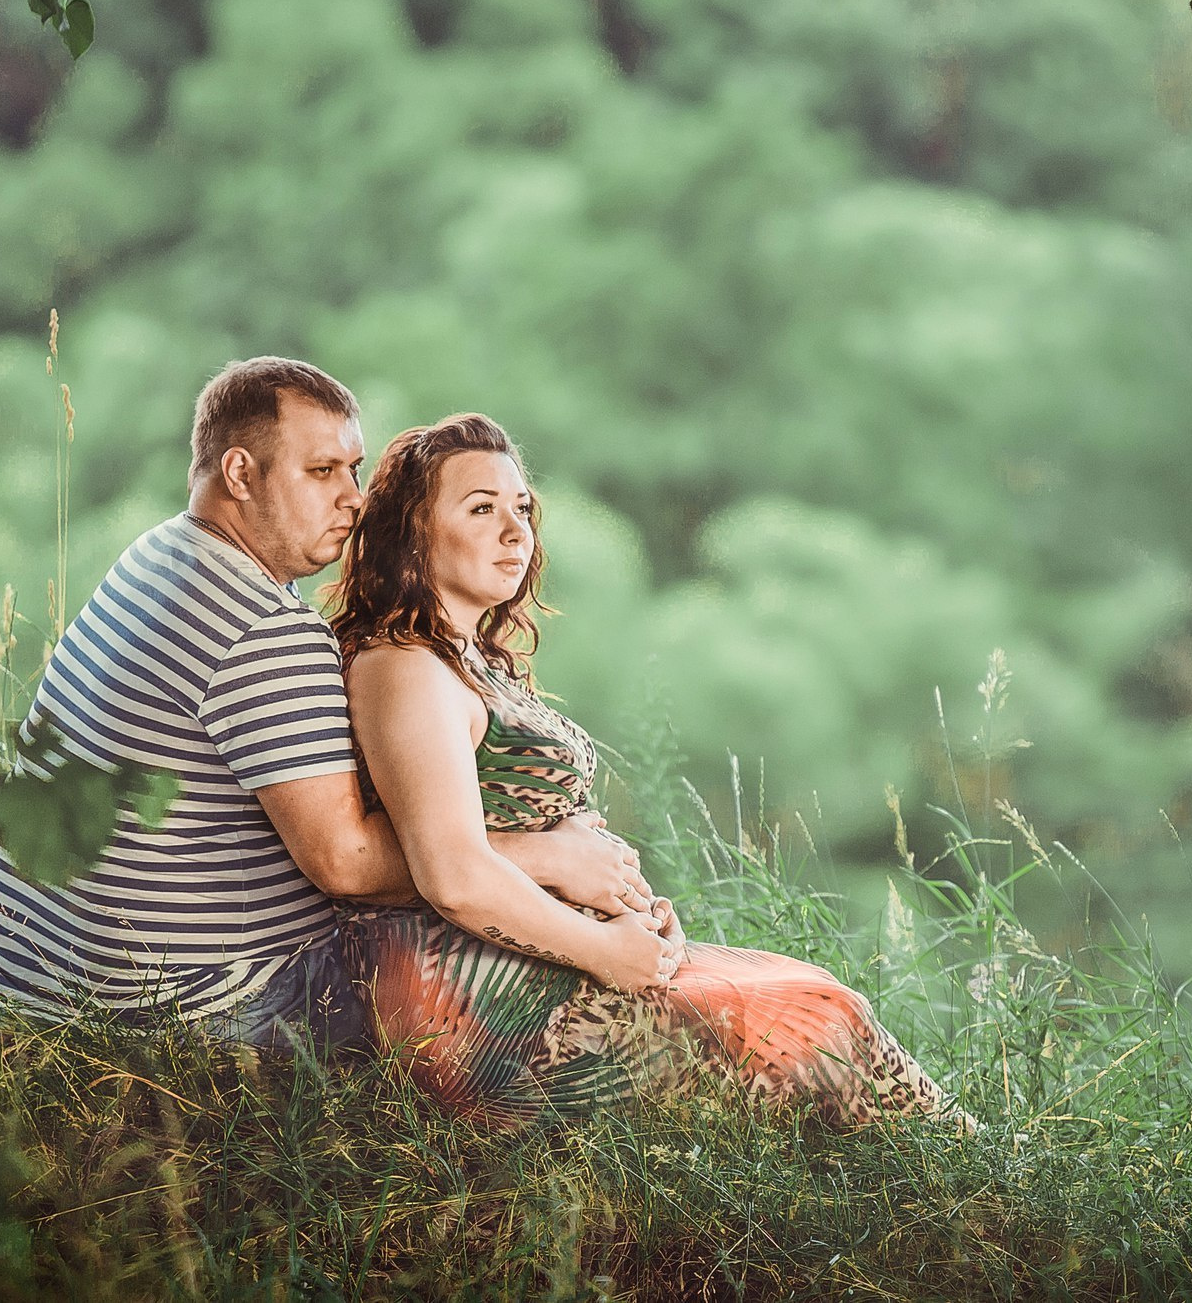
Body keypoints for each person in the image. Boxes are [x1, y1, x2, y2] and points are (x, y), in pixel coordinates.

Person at [0, 358, 646, 1049]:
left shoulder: (162, 553)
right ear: (239, 474)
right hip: (178, 1006)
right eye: (322, 472)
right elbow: (347, 864)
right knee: (521, 980)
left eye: (354, 469)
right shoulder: (263, 630)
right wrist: (543, 857)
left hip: (31, 976)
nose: (353, 499)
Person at [328, 411, 967, 1128]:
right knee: (822, 1021)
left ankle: (975, 1179)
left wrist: (627, 916)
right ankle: (984, 1186)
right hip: (476, 1006)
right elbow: (453, 873)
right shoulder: (404, 667)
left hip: (550, 971)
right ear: (413, 531)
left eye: (523, 509)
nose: (516, 531)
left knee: (818, 990)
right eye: (482, 509)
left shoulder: (464, 659)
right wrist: (603, 944)